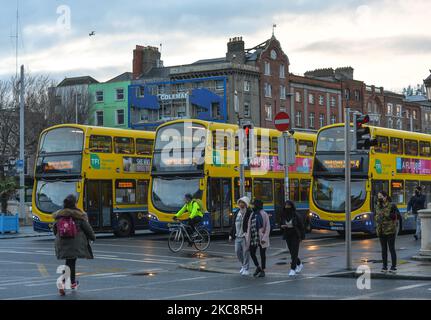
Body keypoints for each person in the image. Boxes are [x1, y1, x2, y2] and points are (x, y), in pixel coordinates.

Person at [53, 194, 96, 296]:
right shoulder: (79, 215)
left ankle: (72, 283)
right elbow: (88, 229)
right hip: (75, 243)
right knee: (70, 262)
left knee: (70, 261)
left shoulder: (59, 215)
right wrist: (93, 237)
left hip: (62, 242)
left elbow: (55, 230)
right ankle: (62, 282)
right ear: (75, 203)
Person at [246, 199, 270, 278]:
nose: (252, 206)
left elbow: (267, 227)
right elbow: (249, 226)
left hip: (261, 237)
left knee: (262, 254)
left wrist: (264, 238)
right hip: (253, 236)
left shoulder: (264, 214)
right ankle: (258, 267)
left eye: (254, 204)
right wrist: (248, 237)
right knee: (252, 252)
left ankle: (263, 270)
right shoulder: (252, 214)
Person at [280, 200, 305, 277]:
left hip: (295, 235)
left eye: (289, 205)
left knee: (294, 252)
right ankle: (299, 263)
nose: (287, 207)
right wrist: (282, 226)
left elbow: (301, 226)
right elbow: (281, 224)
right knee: (292, 253)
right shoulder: (283, 215)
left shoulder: (296, 215)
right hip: (287, 234)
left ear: (292, 206)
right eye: (286, 205)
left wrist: (301, 237)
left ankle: (292, 269)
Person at [374, 191, 397, 273]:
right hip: (381, 230)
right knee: (383, 249)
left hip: (390, 230)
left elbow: (396, 216)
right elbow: (375, 216)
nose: (379, 198)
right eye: (378, 196)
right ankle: (384, 266)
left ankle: (393, 266)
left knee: (391, 249)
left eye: (380, 196)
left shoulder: (392, 205)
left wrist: (390, 215)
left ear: (385, 197)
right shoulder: (377, 206)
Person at [229, 196, 252, 276]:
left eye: (242, 202)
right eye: (240, 202)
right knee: (237, 252)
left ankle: (246, 268)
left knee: (246, 253)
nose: (240, 204)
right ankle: (243, 265)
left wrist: (248, 234)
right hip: (237, 236)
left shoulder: (249, 212)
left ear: (245, 204)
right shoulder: (237, 212)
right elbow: (233, 224)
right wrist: (231, 234)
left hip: (245, 236)